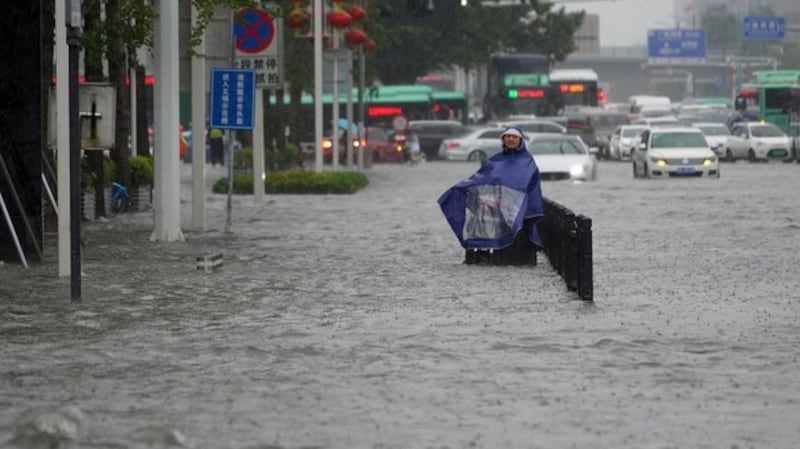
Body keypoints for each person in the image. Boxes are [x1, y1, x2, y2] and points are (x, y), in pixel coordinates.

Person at [438, 126, 544, 265]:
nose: (510, 139)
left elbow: (529, 187)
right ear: (503, 139)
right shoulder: (495, 161)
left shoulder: (528, 162)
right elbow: (481, 178)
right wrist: (463, 187)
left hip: (519, 216)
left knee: (516, 251)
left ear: (520, 140)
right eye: (507, 137)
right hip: (495, 213)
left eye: (514, 137)